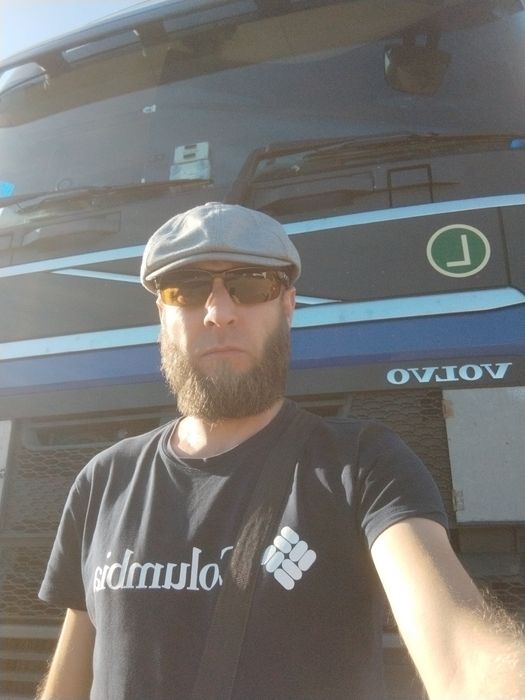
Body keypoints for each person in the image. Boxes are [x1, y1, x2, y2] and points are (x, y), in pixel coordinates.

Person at [38, 202, 523, 700]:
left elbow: (462, 657)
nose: (219, 313)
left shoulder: (363, 464)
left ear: (287, 306)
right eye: (186, 288)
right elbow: (70, 681)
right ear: (163, 313)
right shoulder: (103, 478)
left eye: (251, 286)